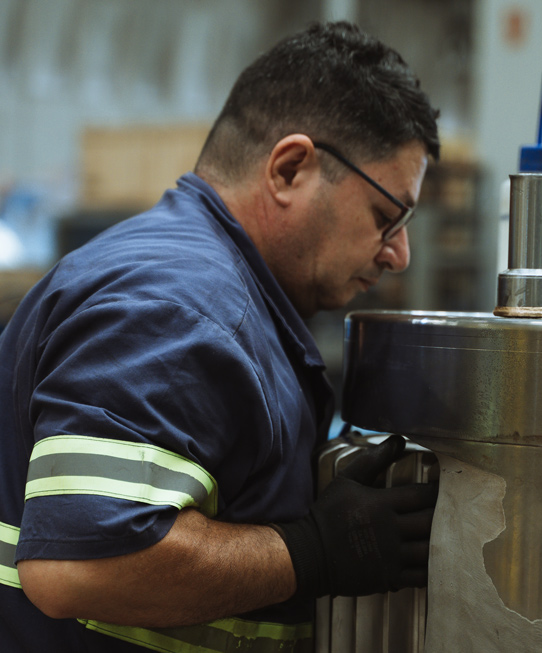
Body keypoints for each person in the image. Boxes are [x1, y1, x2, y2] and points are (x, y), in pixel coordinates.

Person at [0, 21, 440, 652]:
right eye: (386, 216)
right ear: (290, 169)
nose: (399, 253)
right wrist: (311, 552)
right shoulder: (182, 304)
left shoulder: (219, 296)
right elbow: (79, 566)